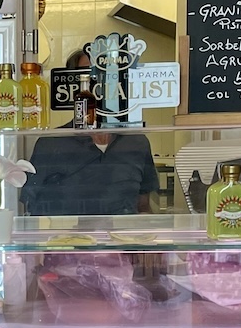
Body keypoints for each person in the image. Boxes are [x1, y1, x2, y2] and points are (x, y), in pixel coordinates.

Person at [19, 49, 160, 216]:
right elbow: (32, 210)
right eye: (88, 76)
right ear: (74, 87)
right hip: (67, 240)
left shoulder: (136, 142)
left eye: (105, 75)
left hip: (122, 240)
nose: (97, 83)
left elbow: (143, 207)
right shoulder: (52, 143)